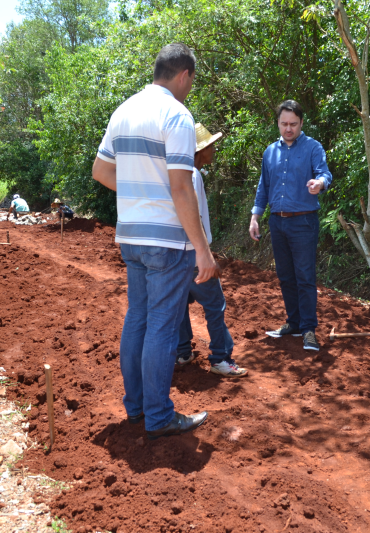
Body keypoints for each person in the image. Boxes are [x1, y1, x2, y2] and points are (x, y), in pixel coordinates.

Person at [91, 43, 217, 440]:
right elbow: (182, 189)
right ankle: (160, 416)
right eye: (192, 82)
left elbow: (100, 171)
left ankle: (137, 408)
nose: (190, 89)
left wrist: (139, 194)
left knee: (138, 319)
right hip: (166, 240)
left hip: (131, 234)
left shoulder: (123, 110)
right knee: (162, 326)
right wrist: (202, 248)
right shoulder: (176, 115)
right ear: (184, 76)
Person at [249, 100, 332, 351]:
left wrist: (319, 184)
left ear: (301, 123)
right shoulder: (269, 152)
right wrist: (255, 216)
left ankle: (308, 329)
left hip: (304, 221)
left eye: (293, 124)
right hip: (277, 221)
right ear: (277, 123)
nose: (288, 129)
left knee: (305, 277)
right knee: (285, 276)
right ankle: (293, 323)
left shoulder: (313, 148)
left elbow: (324, 174)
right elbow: (263, 186)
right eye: (284, 124)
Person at [175, 123, 248, 378]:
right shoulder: (192, 176)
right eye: (210, 146)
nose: (213, 150)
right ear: (199, 151)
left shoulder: (181, 173)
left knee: (181, 304)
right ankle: (220, 357)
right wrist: (204, 252)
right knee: (215, 306)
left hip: (179, 254)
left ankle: (182, 352)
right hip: (194, 253)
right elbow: (191, 215)